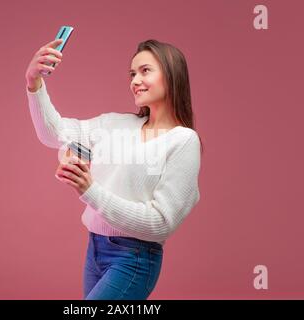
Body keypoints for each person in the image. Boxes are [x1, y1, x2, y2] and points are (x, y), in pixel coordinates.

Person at [25, 38, 204, 300]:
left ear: (172, 74)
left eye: (145, 71)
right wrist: (34, 83)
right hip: (95, 249)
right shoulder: (115, 124)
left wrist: (90, 190)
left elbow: (161, 223)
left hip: (134, 258)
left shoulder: (183, 141)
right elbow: (55, 134)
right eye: (132, 73)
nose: (134, 80)